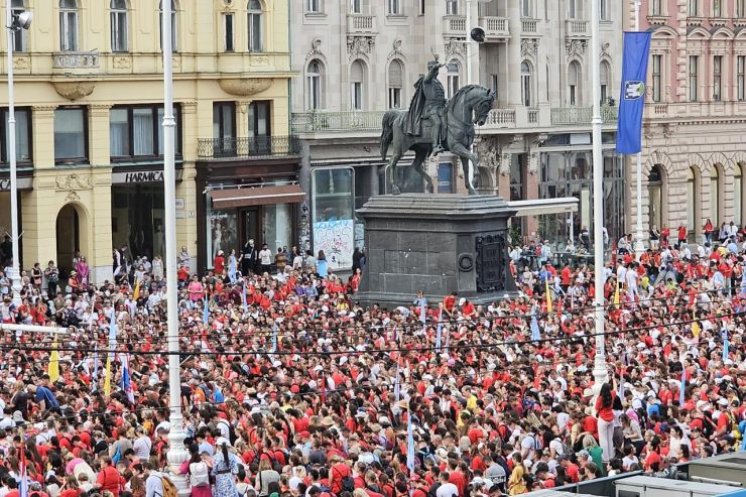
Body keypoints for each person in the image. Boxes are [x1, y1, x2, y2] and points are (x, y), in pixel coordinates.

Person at [404, 57, 447, 155]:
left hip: (440, 108)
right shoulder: (426, 80)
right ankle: (435, 146)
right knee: (437, 123)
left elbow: (439, 96)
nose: (437, 72)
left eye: (437, 70)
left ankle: (443, 142)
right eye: (435, 70)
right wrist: (436, 66)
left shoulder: (437, 82)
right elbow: (429, 75)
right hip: (430, 109)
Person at [595, 383, 616, 463]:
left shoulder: (600, 398)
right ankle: (611, 456)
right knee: (610, 438)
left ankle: (605, 458)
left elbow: (597, 408)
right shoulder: (612, 394)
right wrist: (614, 380)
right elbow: (615, 390)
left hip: (603, 418)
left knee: (603, 439)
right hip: (611, 418)